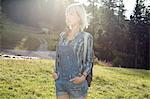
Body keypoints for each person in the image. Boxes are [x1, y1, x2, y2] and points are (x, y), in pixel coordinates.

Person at [52, 3, 93, 99]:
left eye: (71, 14)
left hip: (77, 83)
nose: (68, 17)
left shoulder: (86, 38)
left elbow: (89, 60)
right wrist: (55, 73)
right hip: (61, 81)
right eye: (67, 14)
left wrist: (83, 77)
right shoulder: (62, 36)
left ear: (79, 17)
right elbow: (58, 57)